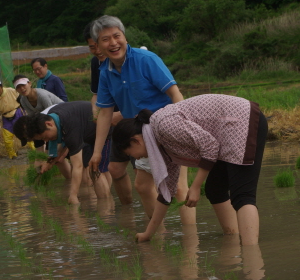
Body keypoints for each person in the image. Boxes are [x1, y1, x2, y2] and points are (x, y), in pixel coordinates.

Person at [112, 94, 268, 246]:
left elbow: (209, 146)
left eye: (129, 154)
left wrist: (195, 186)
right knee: (215, 190)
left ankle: (251, 253)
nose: (136, 159)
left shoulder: (163, 125)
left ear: (136, 141)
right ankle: (233, 239)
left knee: (242, 195)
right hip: (225, 133)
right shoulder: (160, 144)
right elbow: (167, 194)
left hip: (241, 121)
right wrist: (148, 234)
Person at [88, 15, 196, 225]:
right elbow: (105, 113)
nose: (113, 43)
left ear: (125, 37)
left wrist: (181, 126)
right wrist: (97, 152)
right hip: (142, 137)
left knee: (179, 188)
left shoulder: (146, 60)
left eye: (116, 36)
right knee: (144, 186)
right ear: (98, 46)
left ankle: (190, 244)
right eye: (105, 39)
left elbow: (175, 94)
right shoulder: (105, 73)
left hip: (168, 128)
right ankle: (158, 236)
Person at [13, 101, 111, 204]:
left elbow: (77, 165)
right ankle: (106, 201)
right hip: (87, 134)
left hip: (104, 130)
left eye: (45, 137)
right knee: (92, 169)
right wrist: (49, 162)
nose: (46, 141)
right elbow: (60, 147)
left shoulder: (68, 125)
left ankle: (107, 209)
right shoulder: (52, 119)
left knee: (95, 169)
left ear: (49, 124)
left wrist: (73, 196)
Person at [83, 22, 122, 197]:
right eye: (92, 47)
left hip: (129, 117)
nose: (97, 51)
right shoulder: (96, 64)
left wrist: (121, 114)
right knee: (113, 166)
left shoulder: (124, 60)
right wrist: (96, 113)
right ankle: (120, 206)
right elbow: (96, 95)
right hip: (108, 119)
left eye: (99, 45)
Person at [13, 74, 71, 179]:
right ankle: (69, 180)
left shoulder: (42, 95)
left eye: (23, 85)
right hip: (45, 124)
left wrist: (48, 152)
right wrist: (39, 155)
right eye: (18, 87)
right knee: (57, 158)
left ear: (29, 83)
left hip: (61, 120)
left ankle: (80, 181)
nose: (22, 89)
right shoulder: (23, 100)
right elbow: (32, 122)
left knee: (63, 153)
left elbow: (52, 115)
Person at [0, 78, 35, 159]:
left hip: (18, 113)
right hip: (6, 117)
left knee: (27, 132)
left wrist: (29, 113)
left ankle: (35, 151)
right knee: (7, 138)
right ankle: (12, 155)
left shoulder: (11, 91)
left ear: (1, 86)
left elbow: (22, 101)